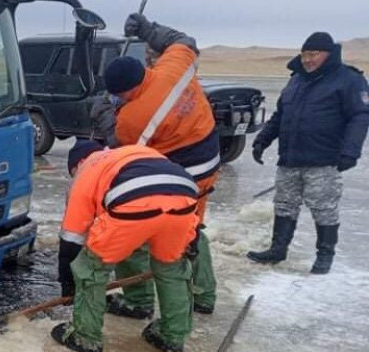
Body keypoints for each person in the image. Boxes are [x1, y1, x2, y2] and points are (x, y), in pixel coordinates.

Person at [91, 14, 220, 317]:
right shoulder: (172, 66)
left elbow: (120, 148)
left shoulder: (134, 117)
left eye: (117, 96)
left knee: (141, 231)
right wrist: (149, 30)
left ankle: (139, 301)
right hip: (209, 162)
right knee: (191, 230)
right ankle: (203, 295)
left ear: (124, 92)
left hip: (180, 173)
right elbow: (183, 41)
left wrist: (105, 115)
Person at [54, 140, 200, 352]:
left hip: (132, 201)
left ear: (77, 165)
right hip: (185, 198)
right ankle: (170, 336)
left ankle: (85, 337)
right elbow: (162, 187)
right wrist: (192, 239)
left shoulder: (85, 172)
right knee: (172, 269)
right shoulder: (131, 153)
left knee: (91, 268)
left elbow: (72, 238)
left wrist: (68, 282)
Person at [248, 32, 369, 274]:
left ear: (328, 54)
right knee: (284, 205)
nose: (307, 60)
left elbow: (360, 116)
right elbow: (280, 115)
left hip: (324, 159)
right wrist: (262, 140)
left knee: (323, 208)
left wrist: (350, 152)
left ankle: (325, 255)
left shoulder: (348, 80)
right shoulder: (297, 80)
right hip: (290, 158)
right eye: (304, 54)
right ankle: (278, 249)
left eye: (313, 54)